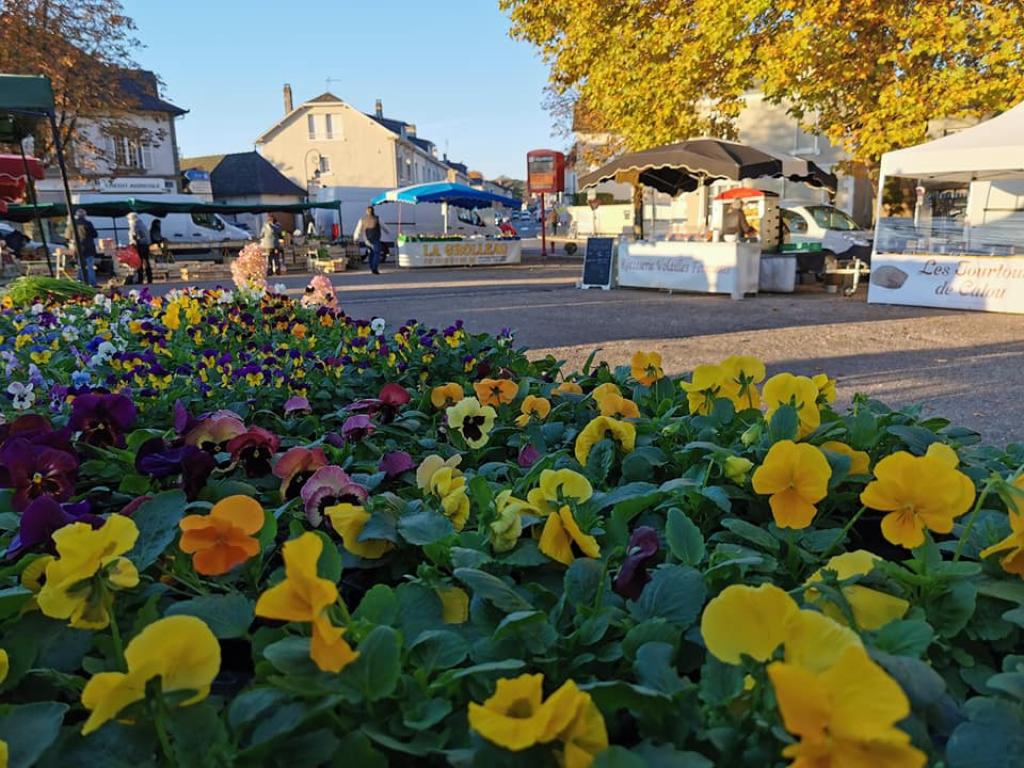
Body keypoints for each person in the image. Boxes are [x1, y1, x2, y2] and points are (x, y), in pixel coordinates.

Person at [66, 209, 98, 287]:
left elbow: (67, 237)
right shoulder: (88, 223)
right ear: (84, 215)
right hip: (89, 247)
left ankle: (80, 283)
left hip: (78, 248)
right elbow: (95, 234)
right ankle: (92, 283)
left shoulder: (72, 224)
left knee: (80, 266)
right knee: (90, 267)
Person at [353, 205, 383, 274]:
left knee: (371, 253)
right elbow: (385, 227)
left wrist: (356, 238)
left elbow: (358, 229)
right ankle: (374, 268)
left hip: (367, 240)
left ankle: (371, 267)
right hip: (376, 238)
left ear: (366, 212)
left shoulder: (362, 219)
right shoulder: (377, 218)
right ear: (373, 211)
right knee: (376, 253)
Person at [127, 212, 152, 284]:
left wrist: (133, 243)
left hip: (140, 245)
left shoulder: (134, 224)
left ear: (130, 218)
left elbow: (133, 236)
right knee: (146, 262)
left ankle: (140, 279)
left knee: (139, 263)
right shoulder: (141, 223)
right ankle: (149, 278)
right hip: (146, 245)